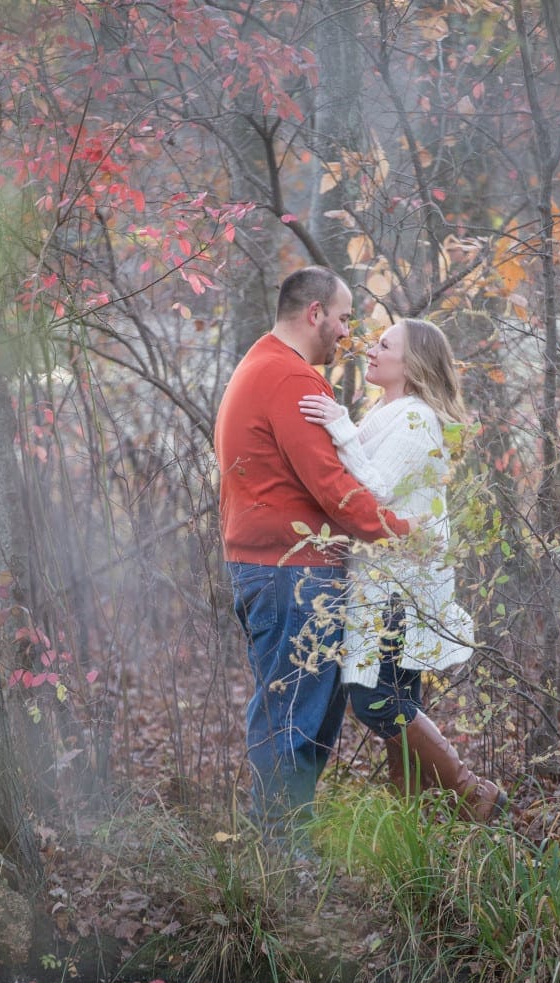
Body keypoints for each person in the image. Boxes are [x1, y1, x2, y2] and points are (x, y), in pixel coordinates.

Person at [213, 267, 417, 847]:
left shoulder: (261, 363)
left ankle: (284, 852)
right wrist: (403, 533)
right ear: (314, 314)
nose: (347, 333)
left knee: (304, 717)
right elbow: (333, 487)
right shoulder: (289, 378)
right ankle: (280, 863)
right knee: (293, 719)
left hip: (280, 567)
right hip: (290, 574)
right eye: (344, 318)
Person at [299, 318, 507, 824]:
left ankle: (473, 793)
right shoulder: (388, 411)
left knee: (373, 700)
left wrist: (338, 423)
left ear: (410, 364)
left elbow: (377, 490)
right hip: (386, 579)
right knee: (396, 698)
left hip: (402, 588)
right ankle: (415, 827)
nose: (372, 349)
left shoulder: (416, 420)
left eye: (384, 344)